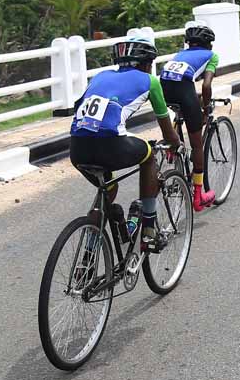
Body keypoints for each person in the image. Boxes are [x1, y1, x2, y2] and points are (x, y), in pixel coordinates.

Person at [70, 34, 182, 251]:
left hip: (77, 148)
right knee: (148, 156)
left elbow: (82, 109)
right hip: (111, 145)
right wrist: (176, 143)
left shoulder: (101, 76)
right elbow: (167, 131)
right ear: (147, 64)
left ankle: (89, 254)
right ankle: (148, 231)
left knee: (108, 190)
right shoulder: (150, 81)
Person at [159, 22, 219, 212]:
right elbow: (206, 86)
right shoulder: (211, 55)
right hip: (183, 90)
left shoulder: (180, 54)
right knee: (197, 145)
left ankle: (173, 146)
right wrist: (206, 109)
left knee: (184, 104)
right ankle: (198, 197)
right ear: (209, 44)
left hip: (164, 89)